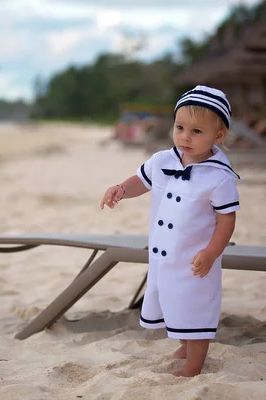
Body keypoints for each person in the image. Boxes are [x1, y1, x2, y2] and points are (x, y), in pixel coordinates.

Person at [100, 85, 240, 377]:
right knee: (172, 300)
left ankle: (194, 362)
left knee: (195, 305)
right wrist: (122, 189)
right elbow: (142, 180)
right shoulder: (163, 160)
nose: (185, 136)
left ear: (218, 136)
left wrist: (212, 252)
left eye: (197, 132)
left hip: (195, 257)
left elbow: (227, 219)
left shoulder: (219, 177)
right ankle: (184, 346)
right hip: (165, 252)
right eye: (180, 127)